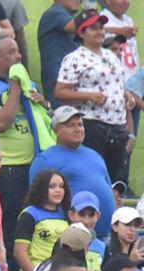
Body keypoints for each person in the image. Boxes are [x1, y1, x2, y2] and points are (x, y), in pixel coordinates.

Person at [0, 36, 50, 271]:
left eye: (18, 51)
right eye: (11, 52)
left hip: (35, 165)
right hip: (8, 169)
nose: (18, 57)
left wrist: (43, 103)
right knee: (10, 223)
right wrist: (16, 87)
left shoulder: (30, 85)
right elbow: (1, 122)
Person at [56, 10, 132, 182]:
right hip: (94, 125)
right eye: (94, 28)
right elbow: (60, 92)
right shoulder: (74, 58)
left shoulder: (111, 55)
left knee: (117, 180)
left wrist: (125, 95)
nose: (100, 31)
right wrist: (89, 96)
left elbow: (116, 83)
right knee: (96, 176)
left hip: (118, 125)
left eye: (101, 27)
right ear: (81, 33)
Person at [30, 106, 117, 238]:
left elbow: (108, 187)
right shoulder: (45, 159)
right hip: (69, 237)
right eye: (71, 125)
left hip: (105, 236)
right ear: (56, 129)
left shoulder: (94, 154)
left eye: (80, 124)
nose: (78, 129)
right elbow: (37, 199)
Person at [14, 170, 73, 271]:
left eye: (61, 186)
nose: (58, 190)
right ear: (41, 188)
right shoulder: (30, 214)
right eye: (52, 186)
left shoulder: (67, 214)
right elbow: (19, 252)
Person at [38, 0, 79, 105]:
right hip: (58, 78)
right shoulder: (54, 13)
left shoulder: (68, 17)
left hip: (71, 78)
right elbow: (76, 27)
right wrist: (120, 30)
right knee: (62, 116)